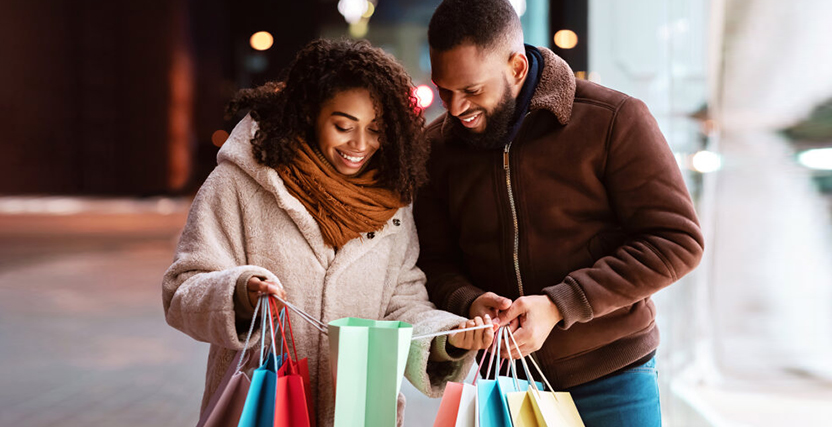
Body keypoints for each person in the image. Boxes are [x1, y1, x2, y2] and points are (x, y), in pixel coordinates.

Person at [162, 38, 495, 427]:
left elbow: (402, 304)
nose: (360, 144)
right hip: (262, 409)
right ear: (309, 114)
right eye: (343, 126)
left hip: (362, 415)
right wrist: (239, 292)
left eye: (375, 130)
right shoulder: (240, 184)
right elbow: (182, 288)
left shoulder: (391, 203)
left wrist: (447, 337)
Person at [415, 0, 705, 425]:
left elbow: (677, 240)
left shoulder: (613, 119)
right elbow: (434, 263)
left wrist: (559, 305)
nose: (456, 109)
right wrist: (469, 300)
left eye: (473, 90)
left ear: (516, 67)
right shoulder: (437, 149)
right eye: (446, 91)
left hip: (613, 377)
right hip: (507, 385)